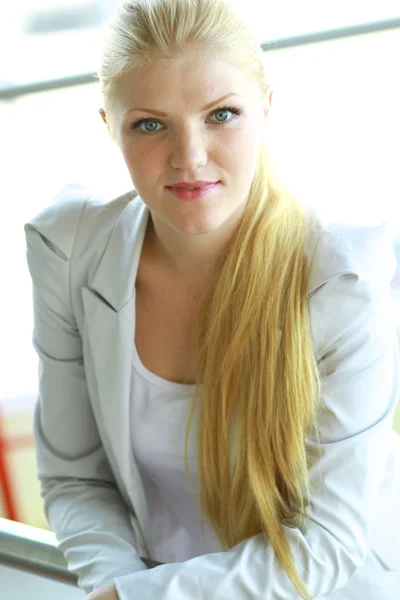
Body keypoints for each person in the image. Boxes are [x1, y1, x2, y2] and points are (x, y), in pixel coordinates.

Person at [24, 1, 400, 599]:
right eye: (150, 124)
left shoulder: (342, 275)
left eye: (221, 114)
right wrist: (118, 589)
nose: (190, 156)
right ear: (108, 126)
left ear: (266, 110)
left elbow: (326, 540)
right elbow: (77, 479)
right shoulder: (67, 250)